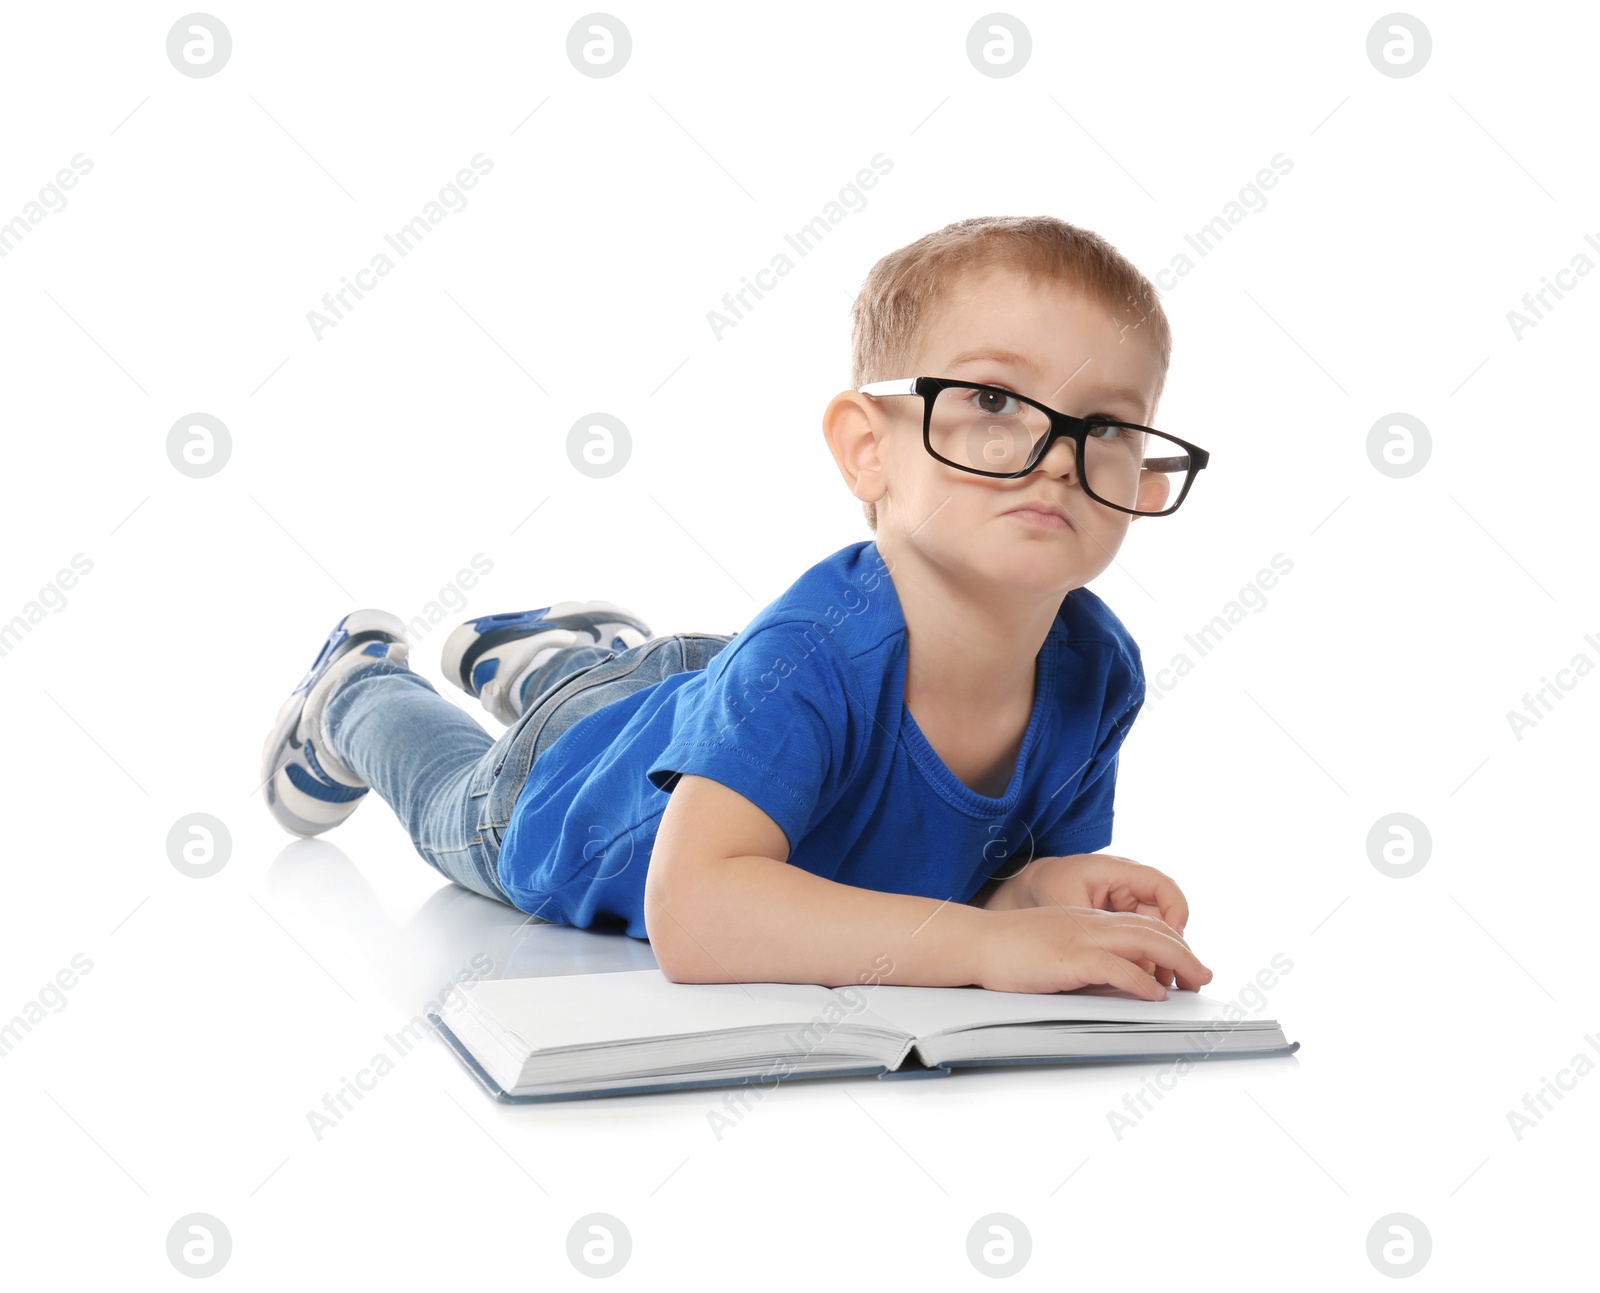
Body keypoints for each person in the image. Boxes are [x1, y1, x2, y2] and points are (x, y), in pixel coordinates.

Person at [260, 215, 1216, 998]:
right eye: (996, 402)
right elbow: (697, 914)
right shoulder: (811, 656)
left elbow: (985, 889)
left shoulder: (1097, 668)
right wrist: (984, 947)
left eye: (1108, 425)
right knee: (454, 800)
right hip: (574, 796)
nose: (1057, 452)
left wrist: (1043, 895)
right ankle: (354, 694)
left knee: (674, 698)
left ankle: (577, 663)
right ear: (866, 449)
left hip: (703, 688)